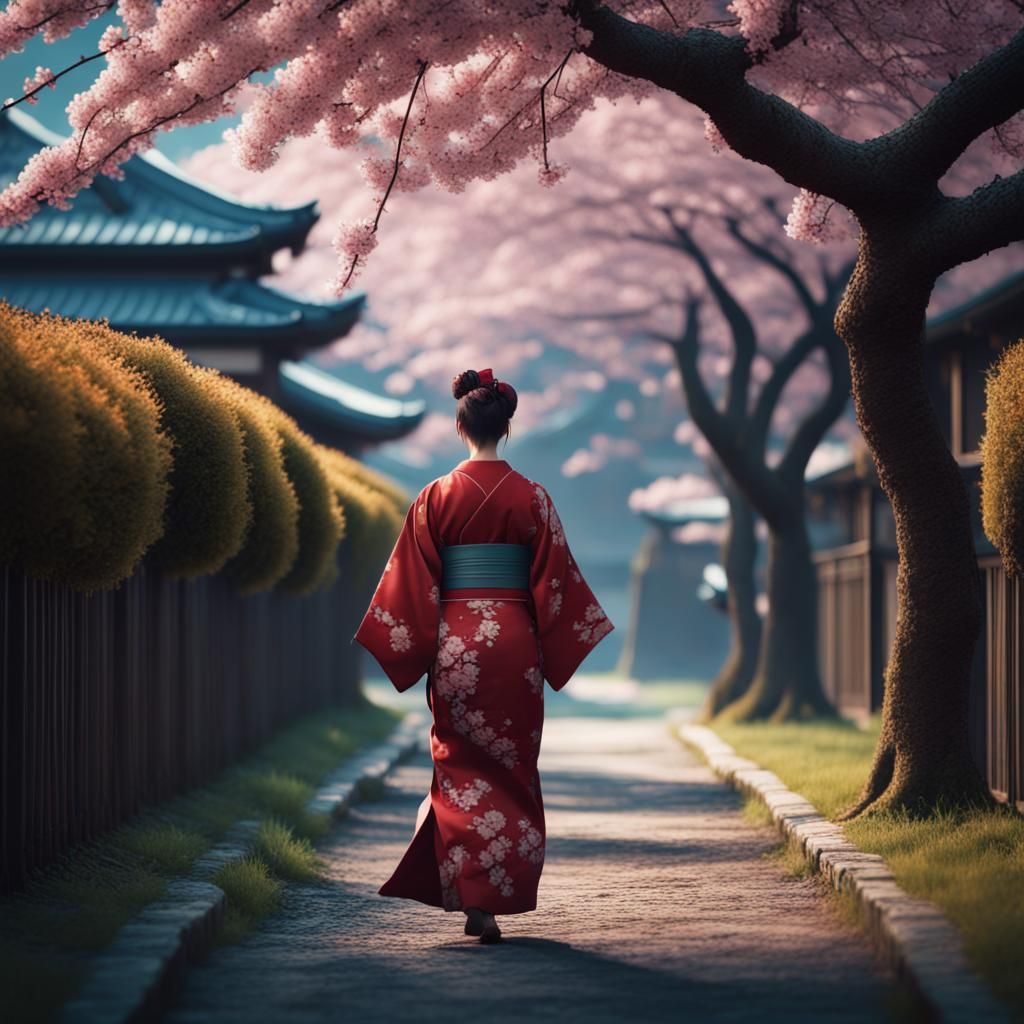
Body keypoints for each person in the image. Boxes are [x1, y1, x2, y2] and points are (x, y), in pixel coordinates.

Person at [353, 367, 614, 944]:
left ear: (459, 426)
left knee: (459, 766)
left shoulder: (434, 497)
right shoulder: (534, 497)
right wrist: (550, 639)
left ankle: (474, 894)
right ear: (507, 427)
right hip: (515, 644)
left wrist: (417, 644)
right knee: (512, 767)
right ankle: (495, 889)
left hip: (456, 645)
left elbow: (412, 583)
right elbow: (555, 584)